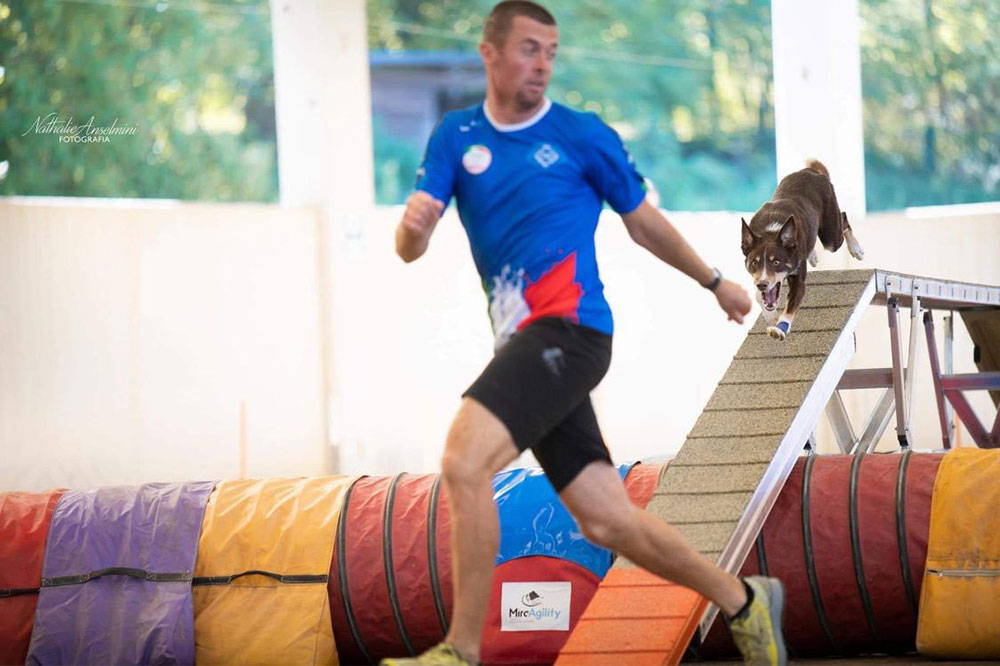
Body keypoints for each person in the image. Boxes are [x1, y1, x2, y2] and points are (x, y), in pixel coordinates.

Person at [382, 2, 787, 665]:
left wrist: (716, 282)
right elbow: (408, 249)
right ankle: (743, 599)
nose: (542, 63)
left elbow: (643, 221)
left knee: (463, 462)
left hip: (570, 330)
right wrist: (413, 228)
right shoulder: (455, 136)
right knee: (605, 519)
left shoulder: (581, 135)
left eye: (550, 51)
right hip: (525, 346)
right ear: (489, 53)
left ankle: (460, 651)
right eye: (528, 49)